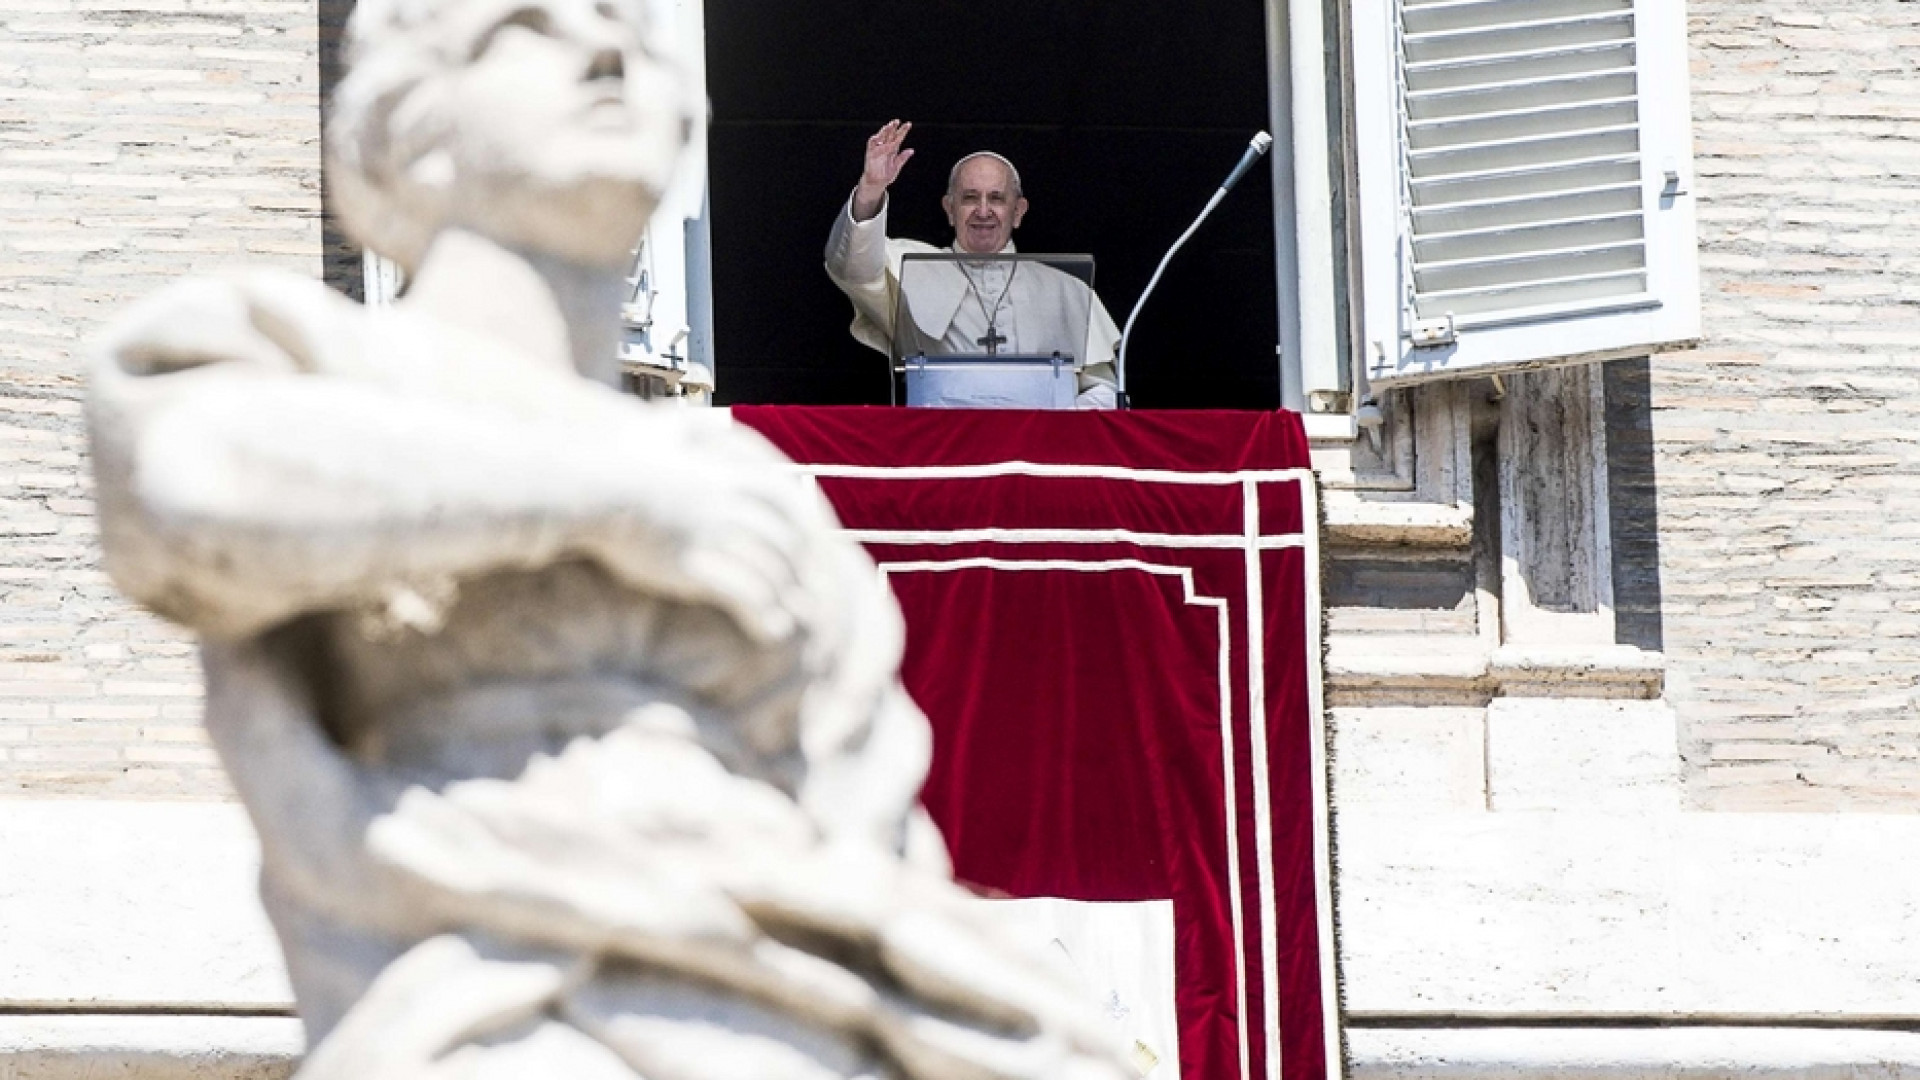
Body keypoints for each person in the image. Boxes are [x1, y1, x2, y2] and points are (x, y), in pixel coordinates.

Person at [85, 0, 1132, 1073]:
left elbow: (877, 851)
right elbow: (197, 487)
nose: (608, 52)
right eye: (523, 28)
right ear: (404, 132)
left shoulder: (757, 499)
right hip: (497, 1013)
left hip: (789, 1012)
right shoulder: (285, 359)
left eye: (637, 41)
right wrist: (616, 499)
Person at [825, 120, 1121, 409]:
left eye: (996, 198)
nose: (983, 211)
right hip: (943, 444)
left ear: (1018, 212)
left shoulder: (1066, 289)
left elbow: (1102, 390)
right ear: (950, 209)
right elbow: (852, 266)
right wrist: (871, 188)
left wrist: (1052, 429)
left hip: (1037, 452)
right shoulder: (908, 266)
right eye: (969, 198)